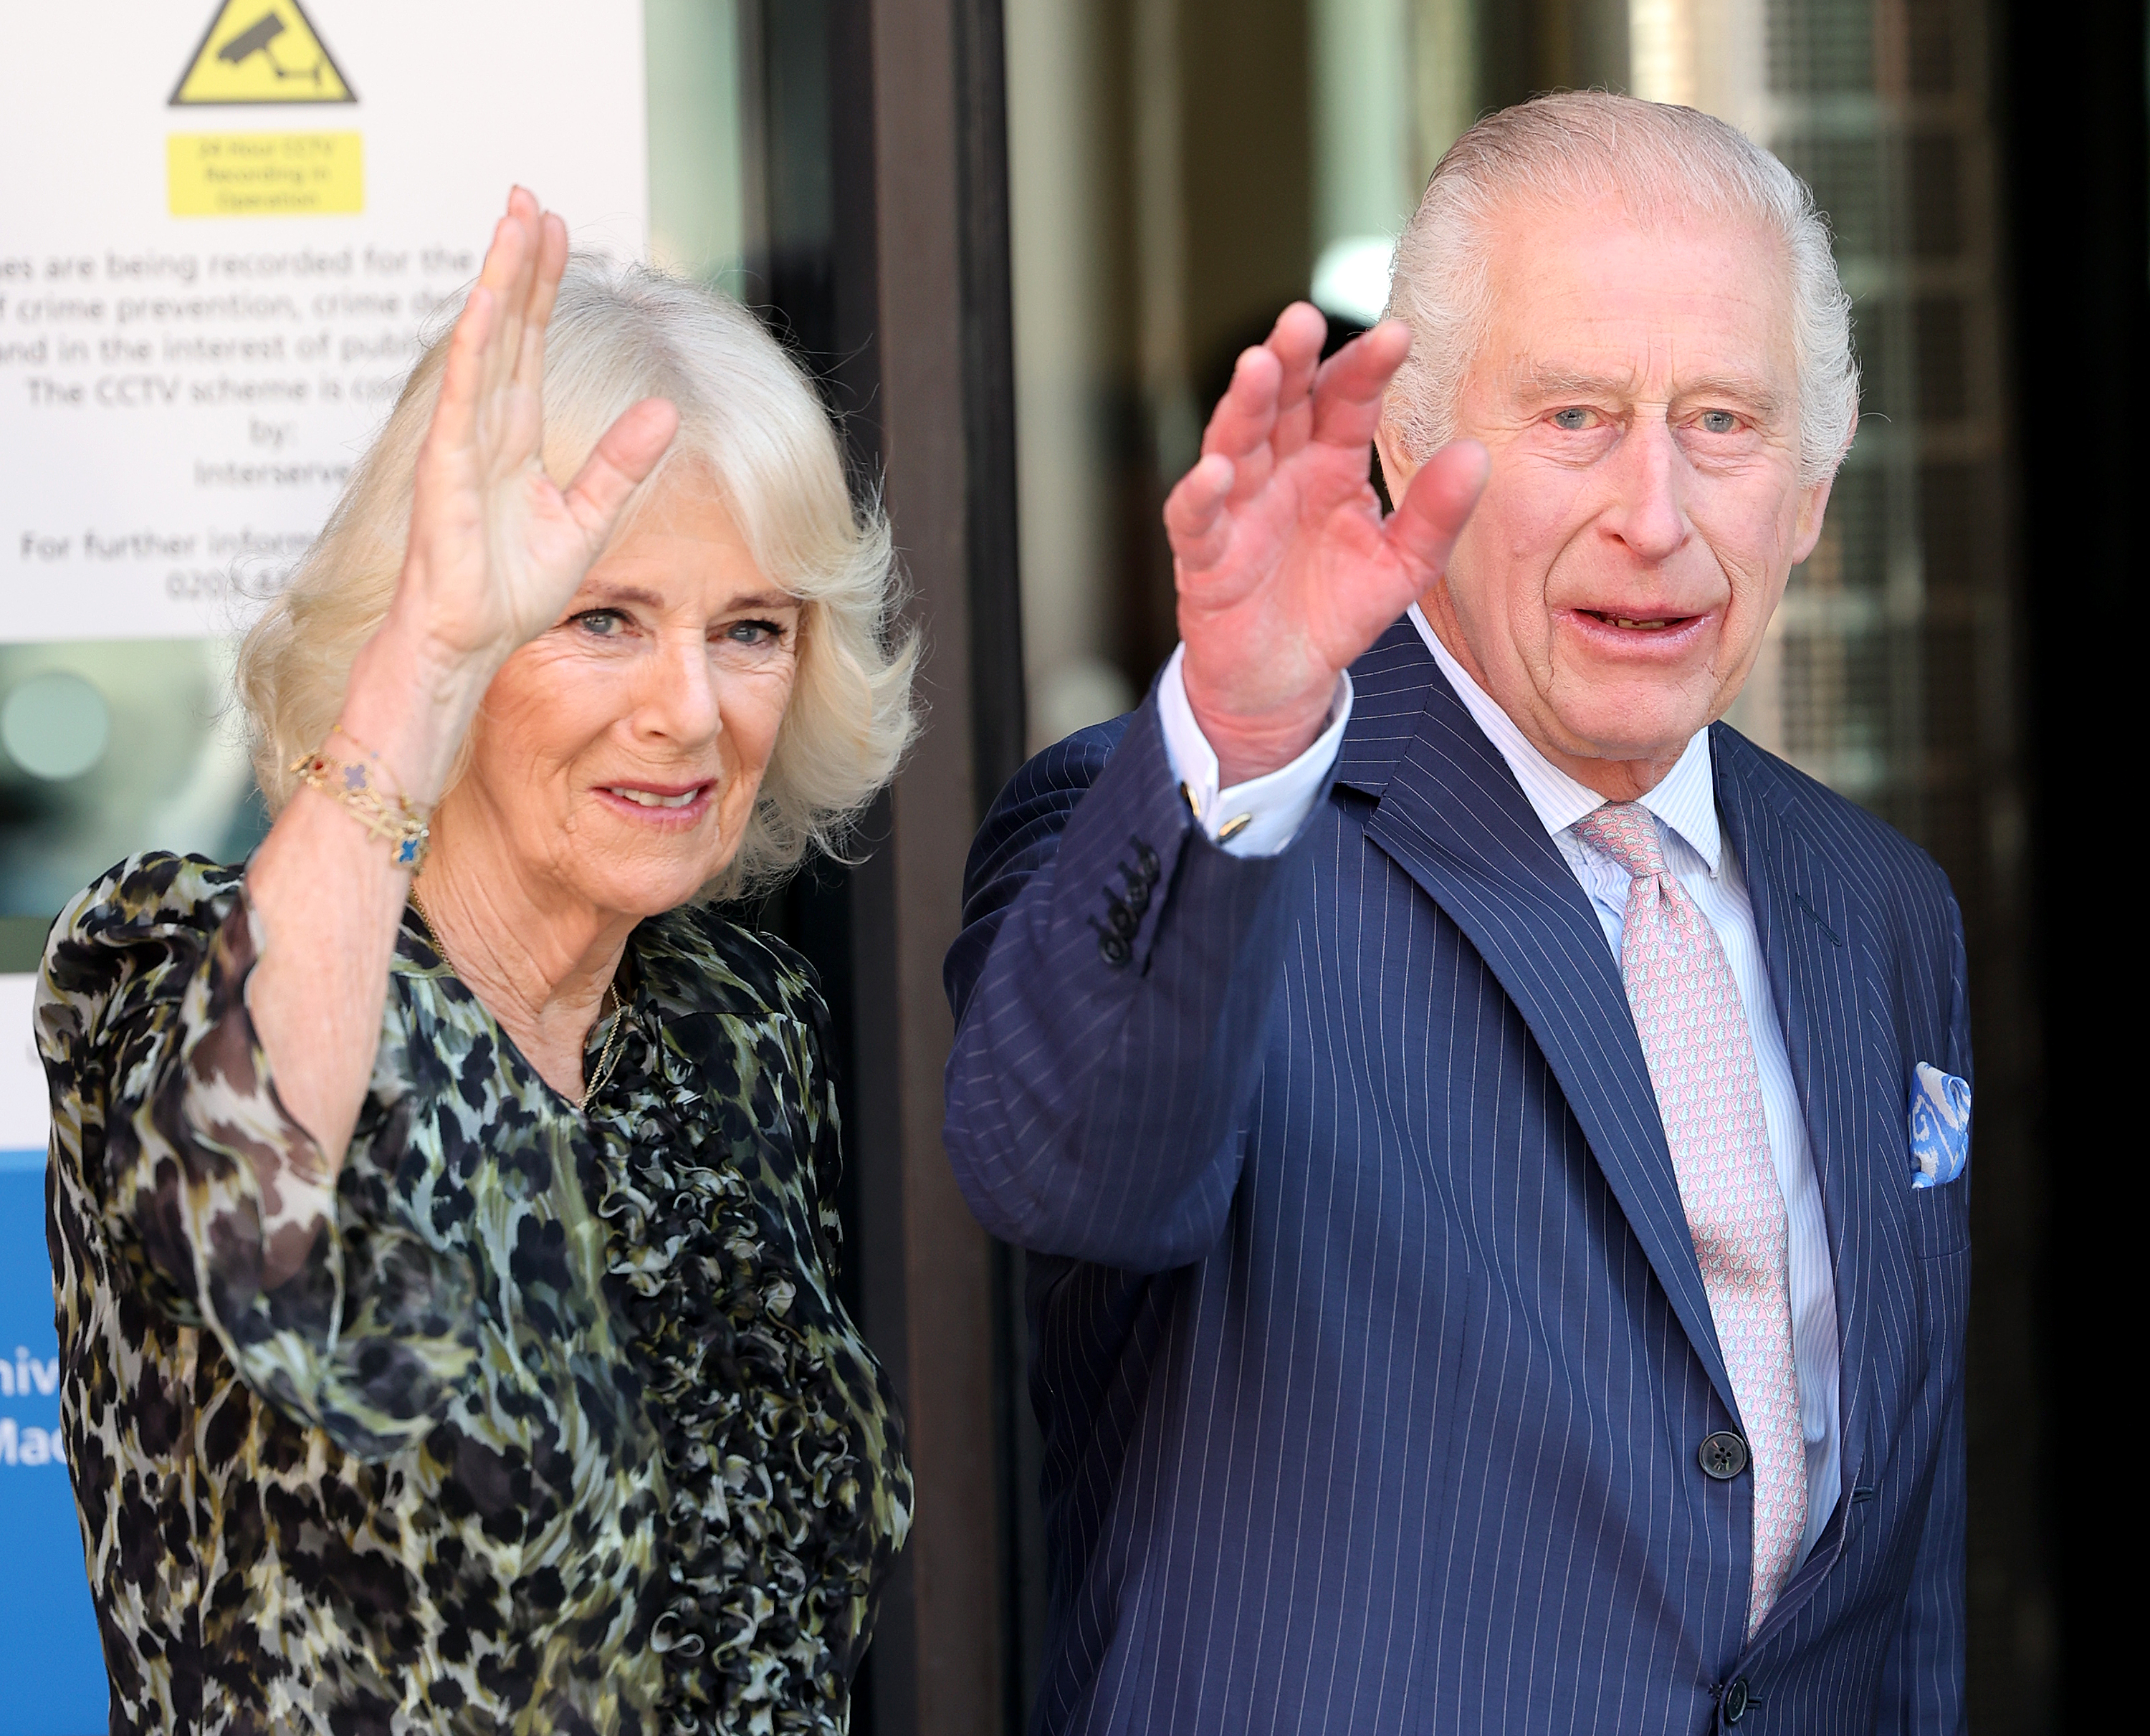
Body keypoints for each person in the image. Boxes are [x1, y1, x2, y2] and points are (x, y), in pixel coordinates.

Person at [945, 93, 1970, 1735]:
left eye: (1724, 421)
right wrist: (1247, 731)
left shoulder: (1884, 910)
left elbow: (1895, 1590)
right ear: (1412, 449)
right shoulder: (1207, 815)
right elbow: (1062, 1163)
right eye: (1575, 415)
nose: (1656, 509)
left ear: (1816, 488)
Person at [37, 190, 916, 1735]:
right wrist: (423, 668)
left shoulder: (741, 1027)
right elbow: (235, 1196)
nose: (689, 710)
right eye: (600, 617)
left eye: (751, 631)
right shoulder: (189, 980)